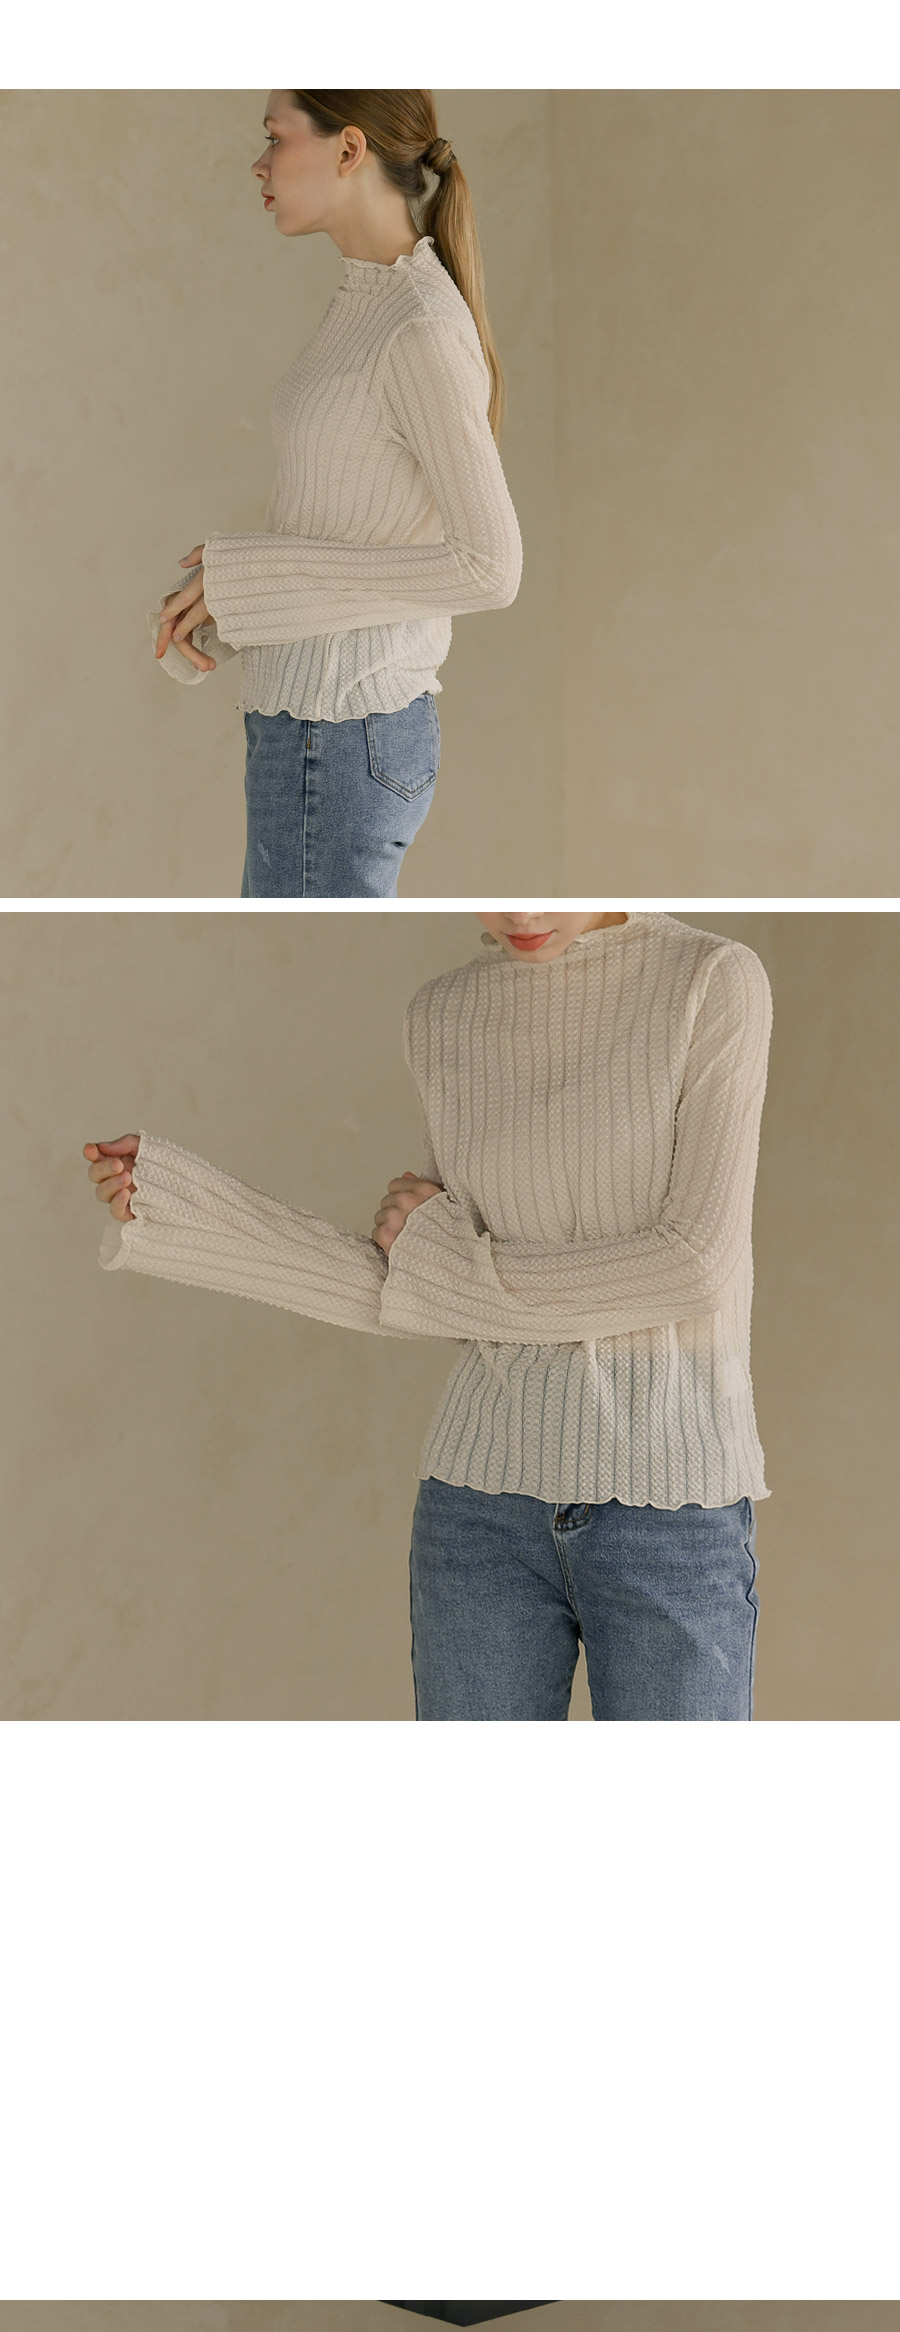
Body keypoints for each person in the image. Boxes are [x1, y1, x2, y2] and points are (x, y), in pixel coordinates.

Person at [83, 904, 773, 1721]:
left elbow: (692, 1266)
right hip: (478, 1508)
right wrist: (186, 1207)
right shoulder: (443, 1014)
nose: (519, 911)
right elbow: (420, 1291)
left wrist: (447, 1265)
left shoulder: (711, 979)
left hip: (671, 1506)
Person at [153, 92, 521, 898]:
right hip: (317, 732)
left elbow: (490, 568)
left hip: (338, 735)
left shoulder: (417, 327)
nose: (259, 164)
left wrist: (254, 580)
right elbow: (352, 520)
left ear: (349, 149)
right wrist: (236, 601)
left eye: (275, 138)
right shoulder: (371, 302)